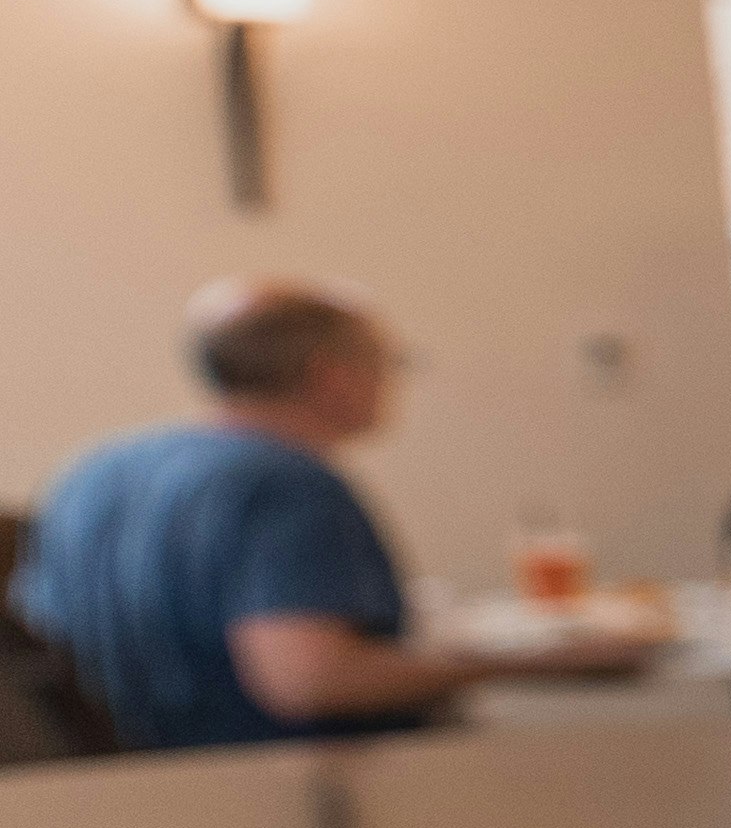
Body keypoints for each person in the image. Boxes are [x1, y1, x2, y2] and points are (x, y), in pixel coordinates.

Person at [15, 283, 651, 747]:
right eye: (385, 362)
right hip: (286, 791)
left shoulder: (97, 468)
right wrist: (544, 662)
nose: (391, 383)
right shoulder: (286, 484)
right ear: (332, 375)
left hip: (124, 789)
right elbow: (307, 682)